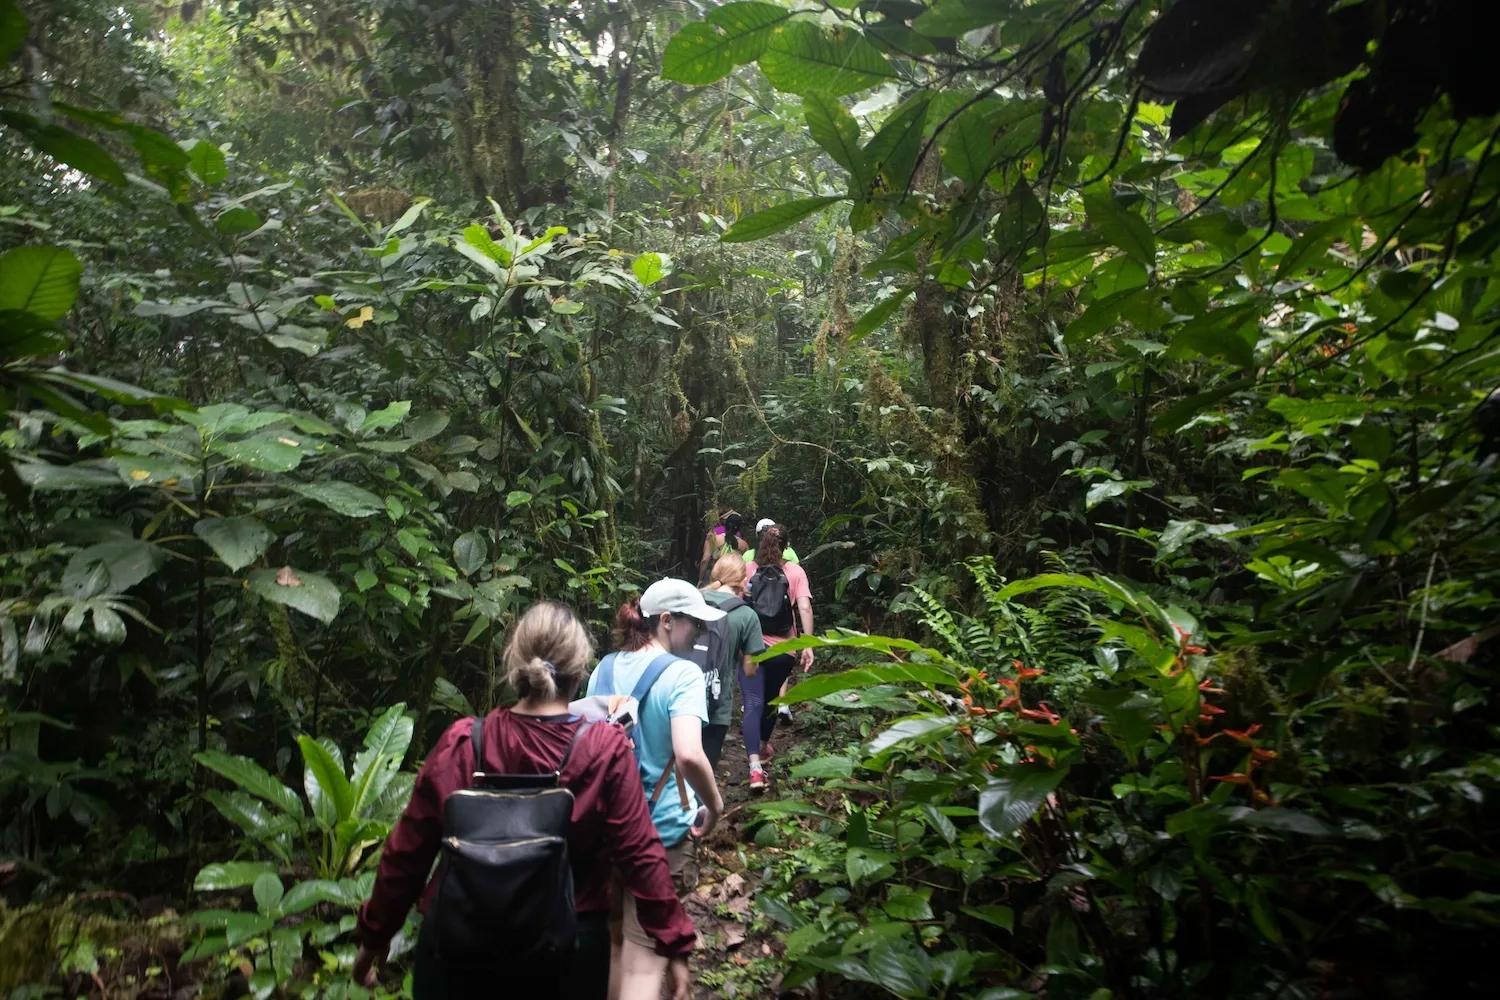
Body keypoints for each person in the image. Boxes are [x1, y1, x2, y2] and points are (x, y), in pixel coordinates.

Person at [352, 602, 697, 999]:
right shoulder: (603, 750)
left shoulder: (465, 743)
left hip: (458, 948)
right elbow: (640, 853)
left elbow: (408, 851)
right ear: (580, 668)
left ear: (515, 663)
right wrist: (674, 942)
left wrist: (374, 935)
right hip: (565, 949)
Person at [590, 579, 725, 1000]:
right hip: (661, 833)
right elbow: (687, 754)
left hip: (607, 830)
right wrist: (715, 805)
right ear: (666, 621)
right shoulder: (683, 674)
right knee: (644, 955)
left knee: (616, 947)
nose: (700, 635)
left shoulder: (604, 667)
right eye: (695, 626)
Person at [742, 525, 814, 791]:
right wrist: (808, 643)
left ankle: (754, 767)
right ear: (786, 546)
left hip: (751, 647)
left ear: (761, 543)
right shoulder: (795, 571)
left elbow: (738, 602)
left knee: (752, 702)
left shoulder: (749, 569)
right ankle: (762, 746)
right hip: (783, 650)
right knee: (772, 699)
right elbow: (804, 606)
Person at [698, 554, 766, 770]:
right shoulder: (747, 615)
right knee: (705, 768)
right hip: (717, 704)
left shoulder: (692, 601)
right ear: (743, 581)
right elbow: (749, 669)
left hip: (679, 697)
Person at [698, 509, 748, 585]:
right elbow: (745, 564)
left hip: (714, 578)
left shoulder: (713, 535)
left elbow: (705, 559)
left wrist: (700, 580)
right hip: (732, 580)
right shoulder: (743, 543)